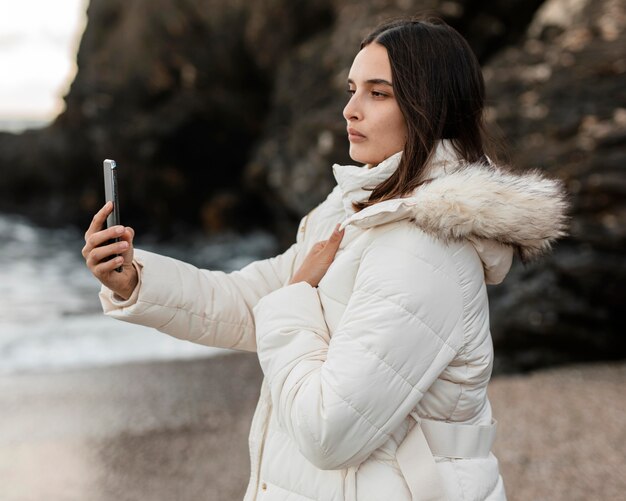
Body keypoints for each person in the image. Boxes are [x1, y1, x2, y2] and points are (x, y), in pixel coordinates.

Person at [82, 16, 568, 501]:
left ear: (431, 108)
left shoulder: (425, 246)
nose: (350, 109)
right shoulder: (353, 212)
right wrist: (136, 280)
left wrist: (294, 298)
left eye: (378, 93)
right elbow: (251, 301)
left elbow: (327, 430)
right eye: (352, 89)